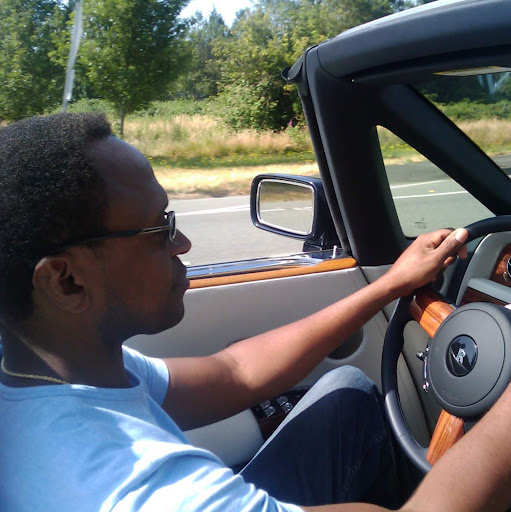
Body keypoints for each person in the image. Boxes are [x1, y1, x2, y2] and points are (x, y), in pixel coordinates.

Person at [0, 112, 507, 512]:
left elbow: (235, 373)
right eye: (158, 229)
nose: (183, 242)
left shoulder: (58, 367)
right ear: (66, 281)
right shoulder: (139, 488)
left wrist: (393, 283)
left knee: (345, 394)